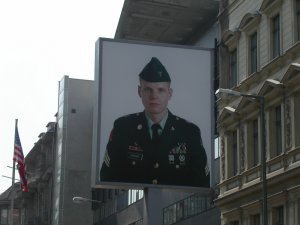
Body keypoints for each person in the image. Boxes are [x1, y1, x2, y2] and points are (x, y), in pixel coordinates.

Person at [100, 57, 210, 187]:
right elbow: (108, 177)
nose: (154, 96)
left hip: (176, 206)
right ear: (139, 91)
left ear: (170, 93)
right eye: (148, 89)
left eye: (160, 90)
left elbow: (202, 182)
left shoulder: (189, 132)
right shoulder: (123, 128)